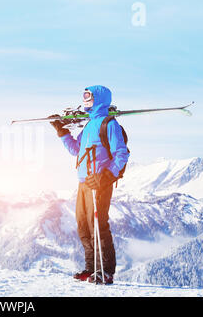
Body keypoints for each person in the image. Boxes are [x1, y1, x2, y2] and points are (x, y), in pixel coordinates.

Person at [50, 85, 129, 284]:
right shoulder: (88, 125)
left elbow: (122, 153)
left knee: (98, 226)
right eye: (84, 96)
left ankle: (106, 271)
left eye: (89, 96)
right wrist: (63, 133)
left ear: (99, 98)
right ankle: (91, 268)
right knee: (83, 226)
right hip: (83, 183)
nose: (85, 100)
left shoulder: (109, 124)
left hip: (99, 184)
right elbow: (77, 150)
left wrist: (106, 176)